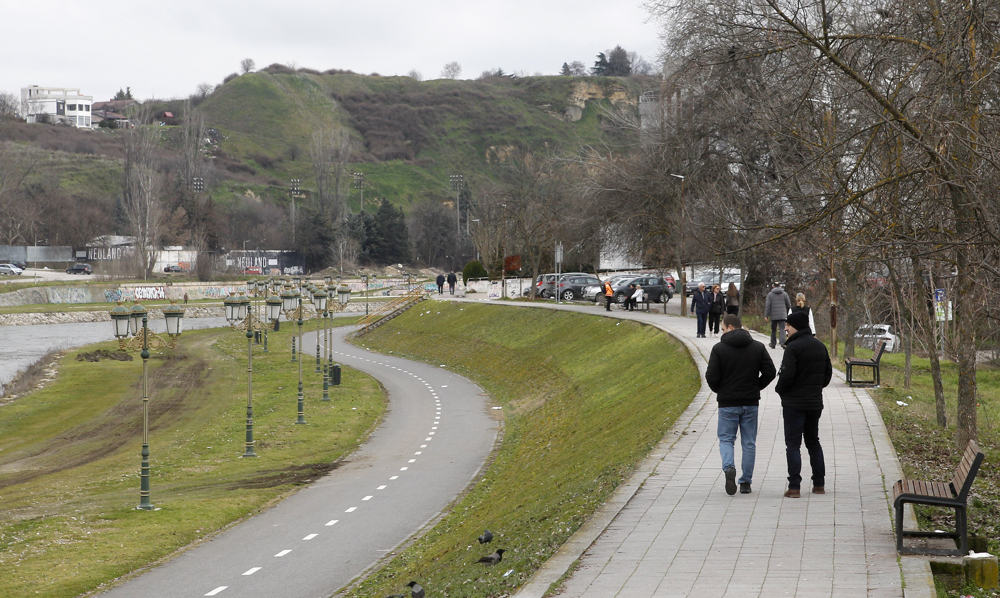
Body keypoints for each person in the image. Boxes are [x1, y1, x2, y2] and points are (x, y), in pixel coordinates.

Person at [706, 314, 776, 495]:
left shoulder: (719, 349)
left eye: (722, 329)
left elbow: (711, 376)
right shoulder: (757, 347)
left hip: (727, 403)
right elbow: (770, 371)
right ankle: (745, 482)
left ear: (730, 327)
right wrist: (756, 387)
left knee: (726, 439)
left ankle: (729, 467)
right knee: (749, 442)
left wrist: (721, 390)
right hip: (750, 402)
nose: (722, 332)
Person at [775, 311, 833, 498]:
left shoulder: (792, 348)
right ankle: (819, 484)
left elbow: (787, 375)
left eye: (788, 325)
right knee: (813, 441)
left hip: (794, 404)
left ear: (796, 326)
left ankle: (794, 487)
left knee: (793, 444)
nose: (785, 328)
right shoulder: (820, 346)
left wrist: (780, 390)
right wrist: (815, 388)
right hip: (814, 403)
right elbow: (827, 374)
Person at [764, 282, 792, 349]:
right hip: (783, 315)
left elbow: (768, 306)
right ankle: (783, 343)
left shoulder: (770, 294)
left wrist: (766, 315)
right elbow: (788, 305)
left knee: (773, 329)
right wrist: (789, 314)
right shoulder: (785, 294)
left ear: (773, 286)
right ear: (780, 286)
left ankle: (773, 344)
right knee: (782, 328)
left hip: (773, 315)